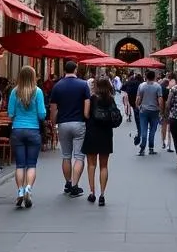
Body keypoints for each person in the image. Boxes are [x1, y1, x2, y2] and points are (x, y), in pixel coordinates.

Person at [48, 59, 89, 198]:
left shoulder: (57, 86)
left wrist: (53, 124)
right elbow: (86, 109)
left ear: (65, 70)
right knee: (78, 156)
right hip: (79, 123)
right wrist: (86, 119)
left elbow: (53, 109)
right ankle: (75, 186)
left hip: (63, 124)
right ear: (76, 69)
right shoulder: (83, 85)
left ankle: (68, 182)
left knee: (66, 156)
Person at [7, 65, 46, 208]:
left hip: (17, 130)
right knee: (31, 164)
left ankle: (19, 191)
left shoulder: (14, 92)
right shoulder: (38, 92)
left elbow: (10, 114)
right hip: (33, 130)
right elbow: (42, 114)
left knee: (19, 165)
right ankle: (28, 188)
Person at [82, 76, 116, 205]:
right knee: (104, 165)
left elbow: (86, 114)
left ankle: (92, 192)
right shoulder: (110, 99)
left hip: (92, 132)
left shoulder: (92, 98)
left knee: (91, 164)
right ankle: (102, 194)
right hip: (106, 133)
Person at [135, 70, 163, 155]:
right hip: (154, 110)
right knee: (152, 130)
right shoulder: (158, 86)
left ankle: (142, 148)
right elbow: (160, 100)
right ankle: (151, 148)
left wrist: (138, 106)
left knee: (143, 129)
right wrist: (161, 110)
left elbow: (138, 98)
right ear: (154, 77)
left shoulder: (141, 86)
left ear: (146, 77)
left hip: (144, 110)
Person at [159, 72, 175, 153]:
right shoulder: (174, 86)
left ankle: (163, 141)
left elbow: (161, 100)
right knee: (170, 126)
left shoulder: (162, 87)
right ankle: (169, 144)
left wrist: (161, 111)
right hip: (173, 108)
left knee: (164, 125)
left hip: (165, 108)